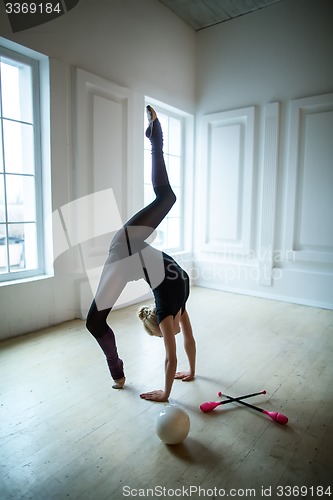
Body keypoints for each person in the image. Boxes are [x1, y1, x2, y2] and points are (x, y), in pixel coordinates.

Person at [86, 106, 196, 402]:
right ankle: (155, 139)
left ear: (159, 328)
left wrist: (192, 372)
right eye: (165, 334)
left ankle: (116, 371)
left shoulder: (178, 304)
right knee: (168, 197)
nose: (168, 335)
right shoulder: (172, 310)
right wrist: (167, 392)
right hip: (124, 248)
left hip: (124, 251)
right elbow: (179, 351)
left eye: (163, 334)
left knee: (93, 323)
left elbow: (186, 342)